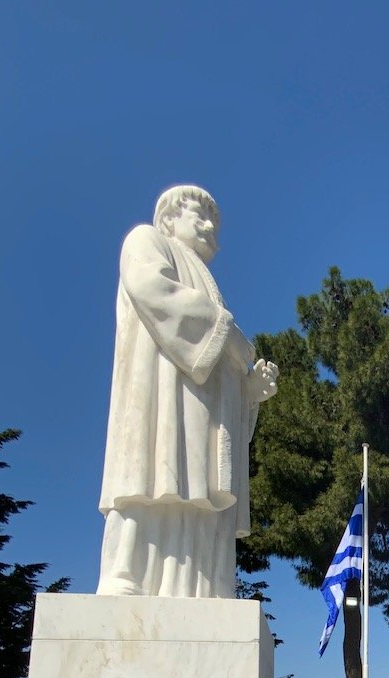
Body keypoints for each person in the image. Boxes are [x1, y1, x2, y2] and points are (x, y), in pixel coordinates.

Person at [97, 185, 279, 598]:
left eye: (213, 220)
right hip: (161, 395)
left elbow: (220, 365)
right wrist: (226, 332)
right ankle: (127, 572)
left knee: (200, 491)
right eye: (199, 216)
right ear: (169, 219)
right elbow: (152, 290)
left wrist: (249, 392)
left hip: (203, 412)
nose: (210, 226)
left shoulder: (207, 279)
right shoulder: (146, 239)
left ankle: (201, 586)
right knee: (150, 472)